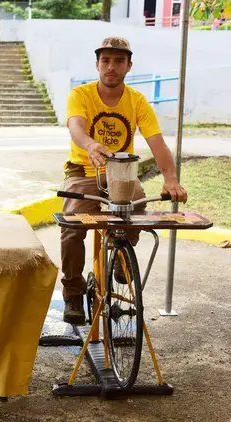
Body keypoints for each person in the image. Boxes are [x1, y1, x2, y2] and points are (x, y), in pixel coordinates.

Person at [61, 36, 188, 325]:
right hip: (83, 171)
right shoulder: (80, 94)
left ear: (129, 66)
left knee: (139, 206)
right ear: (97, 64)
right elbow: (76, 127)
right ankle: (72, 291)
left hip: (121, 173)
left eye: (118, 61)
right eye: (105, 60)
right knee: (71, 226)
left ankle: (120, 254)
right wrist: (91, 145)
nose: (111, 66)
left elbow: (156, 141)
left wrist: (171, 179)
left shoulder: (137, 101)